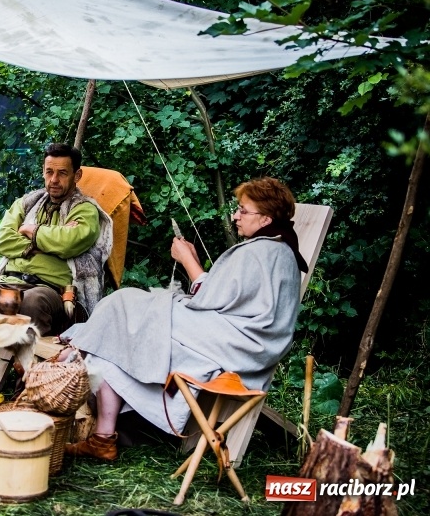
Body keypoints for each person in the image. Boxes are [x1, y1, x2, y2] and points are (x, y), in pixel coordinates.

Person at [64, 177, 309, 461]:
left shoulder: (260, 252)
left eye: (243, 210)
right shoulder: (279, 251)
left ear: (266, 219)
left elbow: (207, 300)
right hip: (244, 344)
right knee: (123, 328)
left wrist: (188, 261)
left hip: (234, 346)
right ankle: (102, 435)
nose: (235, 215)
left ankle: (71, 353)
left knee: (123, 304)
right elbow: (227, 300)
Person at [0, 143, 113, 337]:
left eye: (62, 173)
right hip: (8, 284)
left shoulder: (84, 209)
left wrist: (30, 229)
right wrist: (45, 243)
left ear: (76, 176)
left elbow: (69, 242)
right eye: (49, 172)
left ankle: (31, 365)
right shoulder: (27, 203)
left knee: (33, 300)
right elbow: (2, 241)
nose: (54, 179)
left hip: (52, 290)